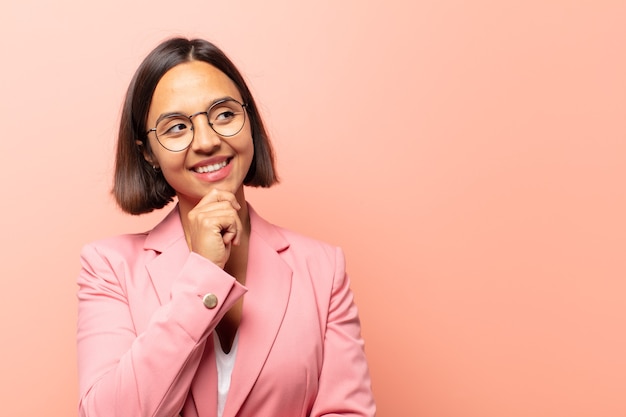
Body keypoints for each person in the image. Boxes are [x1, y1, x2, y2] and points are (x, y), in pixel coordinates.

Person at [76, 37, 376, 417]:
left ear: (249, 121)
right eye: (176, 127)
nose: (207, 141)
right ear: (148, 152)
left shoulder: (323, 267)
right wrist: (201, 273)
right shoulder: (108, 267)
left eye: (224, 114)